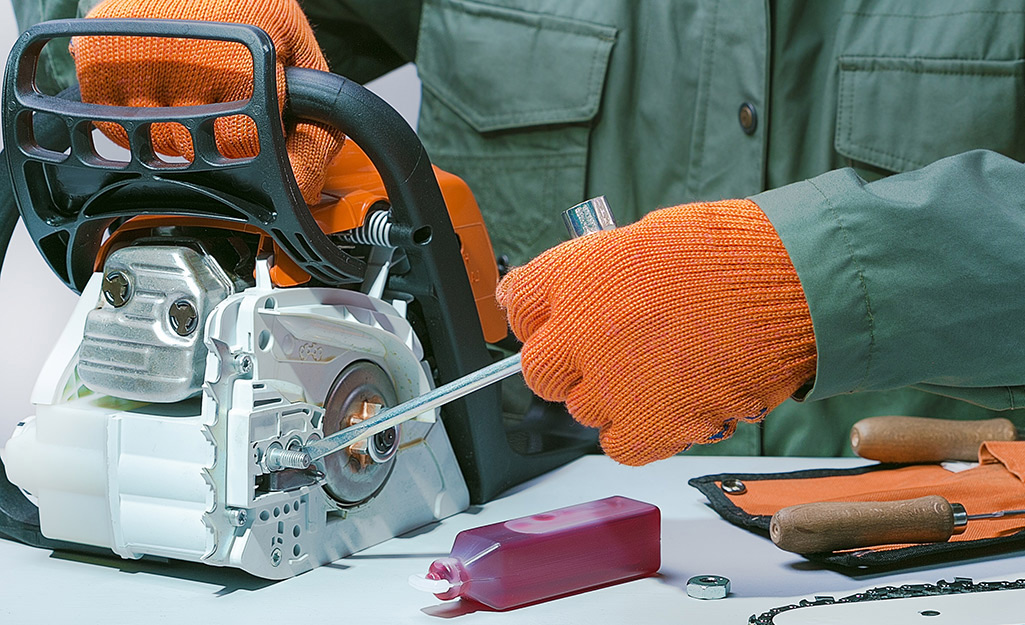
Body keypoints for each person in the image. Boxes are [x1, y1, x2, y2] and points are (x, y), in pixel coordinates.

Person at [13, 0, 1025, 465]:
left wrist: (816, 282)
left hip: (952, 543)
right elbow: (85, 66)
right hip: (492, 535)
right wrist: (149, 23)